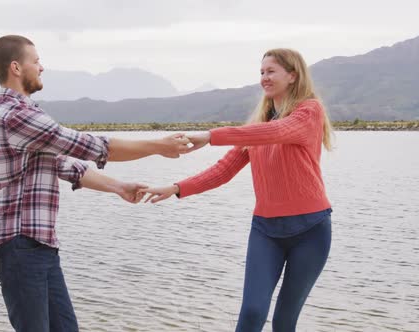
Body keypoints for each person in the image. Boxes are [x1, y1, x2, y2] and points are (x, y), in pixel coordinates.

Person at [0, 35, 190, 332]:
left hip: (37, 245)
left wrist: (117, 186)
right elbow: (87, 145)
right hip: (18, 245)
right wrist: (157, 145)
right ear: (16, 67)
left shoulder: (25, 113)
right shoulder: (17, 114)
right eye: (36, 61)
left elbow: (66, 165)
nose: (42, 67)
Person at [140, 48, 335, 331]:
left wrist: (210, 136)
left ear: (292, 76)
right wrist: (176, 188)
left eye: (271, 71)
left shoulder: (308, 112)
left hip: (311, 230)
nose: (264, 78)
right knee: (252, 312)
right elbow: (223, 170)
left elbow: (277, 132)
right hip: (266, 231)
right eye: (261, 72)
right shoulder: (258, 127)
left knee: (284, 321)